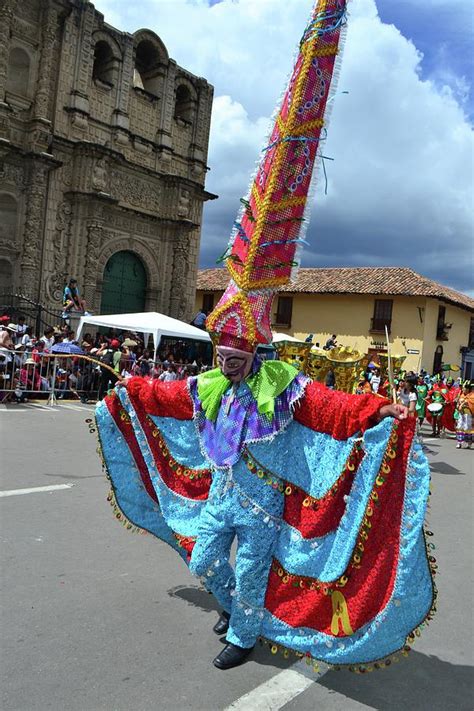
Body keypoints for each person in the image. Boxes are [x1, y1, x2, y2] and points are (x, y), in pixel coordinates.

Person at [96, 0, 433, 674]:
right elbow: (168, 395)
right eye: (221, 348)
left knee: (252, 564)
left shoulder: (282, 384)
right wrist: (126, 386)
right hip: (221, 493)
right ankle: (236, 604)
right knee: (202, 556)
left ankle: (244, 631)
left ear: (255, 351)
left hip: (265, 500)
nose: (226, 356)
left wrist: (382, 410)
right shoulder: (213, 383)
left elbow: (334, 408)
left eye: (236, 350)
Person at [455, 382, 474, 449]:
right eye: (463, 388)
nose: (463, 389)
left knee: (467, 428)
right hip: (461, 414)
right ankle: (459, 443)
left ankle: (469, 443)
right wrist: (458, 404)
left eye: (464, 388)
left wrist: (464, 403)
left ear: (468, 389)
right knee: (459, 427)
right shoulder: (461, 395)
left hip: (468, 414)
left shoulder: (472, 396)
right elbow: (458, 403)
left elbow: (471, 404)